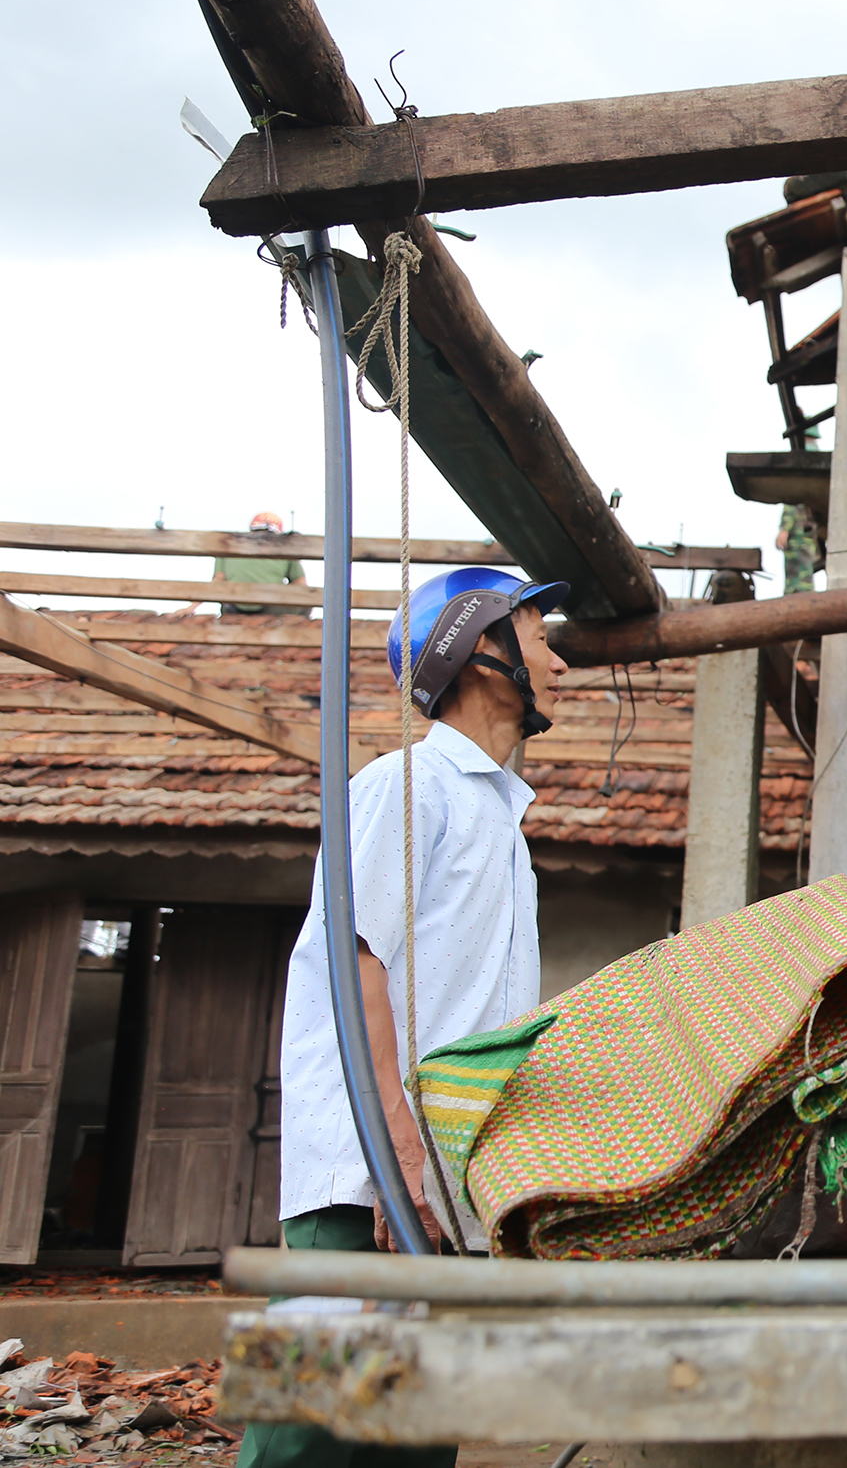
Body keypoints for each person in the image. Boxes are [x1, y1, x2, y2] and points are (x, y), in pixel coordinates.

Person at [240, 569, 568, 1468]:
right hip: (366, 1177)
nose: (560, 660)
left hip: (439, 1181)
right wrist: (398, 1157)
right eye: (540, 635)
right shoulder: (406, 785)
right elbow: (358, 964)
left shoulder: (501, 820)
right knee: (303, 1428)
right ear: (481, 653)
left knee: (410, 1436)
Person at [213, 512, 309, 615]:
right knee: (306, 600)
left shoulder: (229, 545)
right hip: (272, 608)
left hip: (234, 608)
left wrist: (193, 607)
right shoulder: (285, 547)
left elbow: (218, 580)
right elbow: (300, 584)